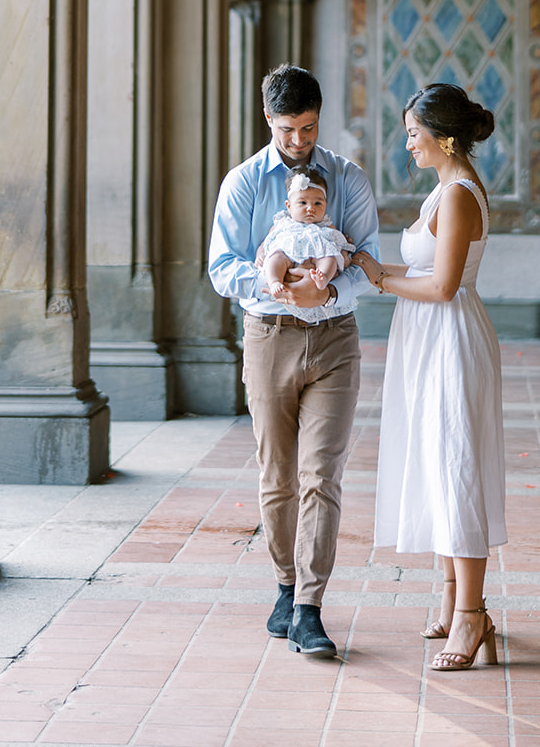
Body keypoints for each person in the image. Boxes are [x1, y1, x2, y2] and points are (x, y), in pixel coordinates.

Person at [208, 64, 380, 658]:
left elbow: (368, 259)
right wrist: (277, 283)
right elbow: (221, 266)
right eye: (287, 130)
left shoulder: (348, 178)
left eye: (307, 129)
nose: (299, 141)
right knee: (277, 476)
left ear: (318, 119)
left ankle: (309, 605)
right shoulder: (243, 182)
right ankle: (285, 586)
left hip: (335, 339)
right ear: (268, 120)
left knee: (320, 475)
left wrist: (327, 291)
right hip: (269, 335)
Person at [353, 82, 507, 673]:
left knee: (457, 465)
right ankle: (449, 592)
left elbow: (443, 287)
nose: (408, 144)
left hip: (450, 339)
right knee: (435, 460)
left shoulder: (459, 195)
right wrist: (367, 264)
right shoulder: (442, 190)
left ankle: (473, 612)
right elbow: (424, 268)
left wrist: (381, 282)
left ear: (443, 137)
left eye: (413, 134)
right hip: (426, 338)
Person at [257, 166, 354, 303]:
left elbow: (339, 243)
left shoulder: (326, 225)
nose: (311, 208)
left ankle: (323, 277)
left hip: (316, 255)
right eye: (302, 202)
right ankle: (274, 281)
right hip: (288, 254)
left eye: (318, 203)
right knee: (276, 257)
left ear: (325, 205)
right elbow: (267, 242)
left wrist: (343, 254)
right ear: (289, 206)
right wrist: (261, 253)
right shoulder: (282, 222)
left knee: (330, 257)